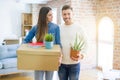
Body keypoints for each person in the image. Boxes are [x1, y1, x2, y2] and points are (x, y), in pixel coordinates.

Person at [23, 7, 61, 80]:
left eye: (52, 14)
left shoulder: (56, 27)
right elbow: (26, 40)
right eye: (50, 15)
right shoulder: (36, 27)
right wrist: (28, 49)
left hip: (51, 57)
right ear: (44, 16)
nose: (52, 16)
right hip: (38, 58)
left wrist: (60, 57)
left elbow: (58, 44)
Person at [58, 5, 87, 80]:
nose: (66, 16)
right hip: (61, 64)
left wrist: (82, 55)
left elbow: (86, 43)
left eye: (69, 14)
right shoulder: (59, 28)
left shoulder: (79, 28)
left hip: (74, 64)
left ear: (72, 14)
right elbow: (56, 44)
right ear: (62, 15)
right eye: (64, 14)